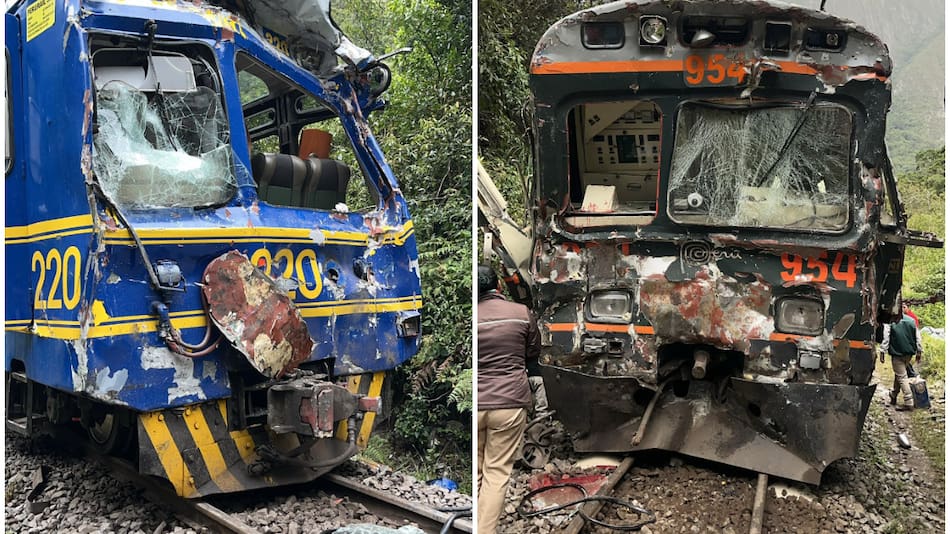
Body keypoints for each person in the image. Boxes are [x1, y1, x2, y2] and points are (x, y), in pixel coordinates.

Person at [476, 264, 540, 534]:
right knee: (497, 473)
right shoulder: (521, 314)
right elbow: (533, 352)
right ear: (499, 286)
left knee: (477, 471)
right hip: (510, 403)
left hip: (477, 403)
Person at [880, 308, 924, 411]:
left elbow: (886, 337)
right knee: (899, 374)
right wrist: (919, 351)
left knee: (902, 377)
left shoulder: (890, 322)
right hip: (909, 353)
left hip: (897, 352)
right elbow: (918, 338)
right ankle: (893, 394)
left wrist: (882, 351)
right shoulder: (911, 321)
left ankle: (909, 401)